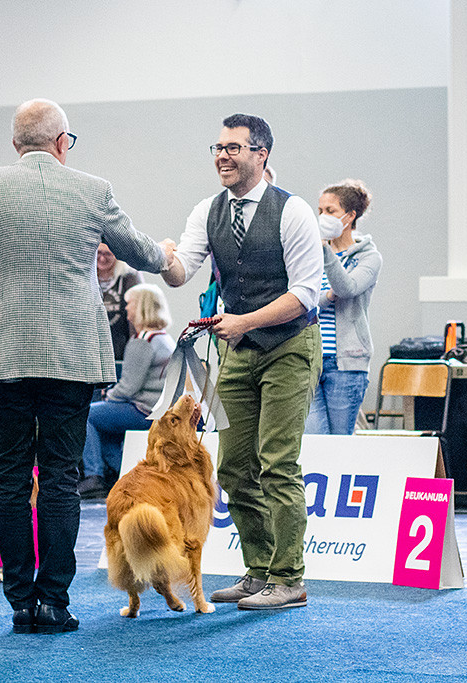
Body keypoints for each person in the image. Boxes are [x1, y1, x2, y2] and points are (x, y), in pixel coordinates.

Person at [0, 98, 172, 634]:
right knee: (63, 482)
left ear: (16, 144)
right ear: (63, 141)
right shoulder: (92, 188)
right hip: (70, 357)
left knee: (12, 481)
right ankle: (55, 602)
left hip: (6, 356)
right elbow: (135, 248)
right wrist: (167, 256)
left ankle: (20, 602)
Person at [161, 113, 323, 610]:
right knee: (233, 467)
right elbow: (180, 272)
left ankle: (289, 578)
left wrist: (246, 321)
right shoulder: (206, 211)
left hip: (289, 347)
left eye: (233, 147)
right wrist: (161, 257)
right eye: (217, 147)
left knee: (277, 464)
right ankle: (258, 572)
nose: (222, 156)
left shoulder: (293, 212)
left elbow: (307, 294)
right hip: (237, 351)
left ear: (261, 154)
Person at [78, 284, 173, 499]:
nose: (126, 310)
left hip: (143, 410)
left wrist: (108, 395)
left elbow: (129, 387)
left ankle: (93, 477)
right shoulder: (162, 338)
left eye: (129, 304)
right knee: (104, 423)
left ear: (140, 307)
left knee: (87, 415)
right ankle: (120, 473)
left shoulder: (143, 341)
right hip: (156, 410)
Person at [306, 180, 382, 435]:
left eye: (330, 211)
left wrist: (325, 251)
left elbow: (348, 288)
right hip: (310, 360)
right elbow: (301, 297)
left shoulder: (368, 257)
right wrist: (326, 296)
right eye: (320, 211)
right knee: (313, 440)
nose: (322, 216)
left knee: (339, 444)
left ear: (349, 216)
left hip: (346, 366)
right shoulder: (312, 252)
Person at [96, 242, 143, 361]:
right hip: (94, 347)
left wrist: (135, 350)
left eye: (107, 254)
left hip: (121, 346)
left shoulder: (129, 276)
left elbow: (136, 318)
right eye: (99, 253)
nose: (102, 258)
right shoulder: (87, 276)